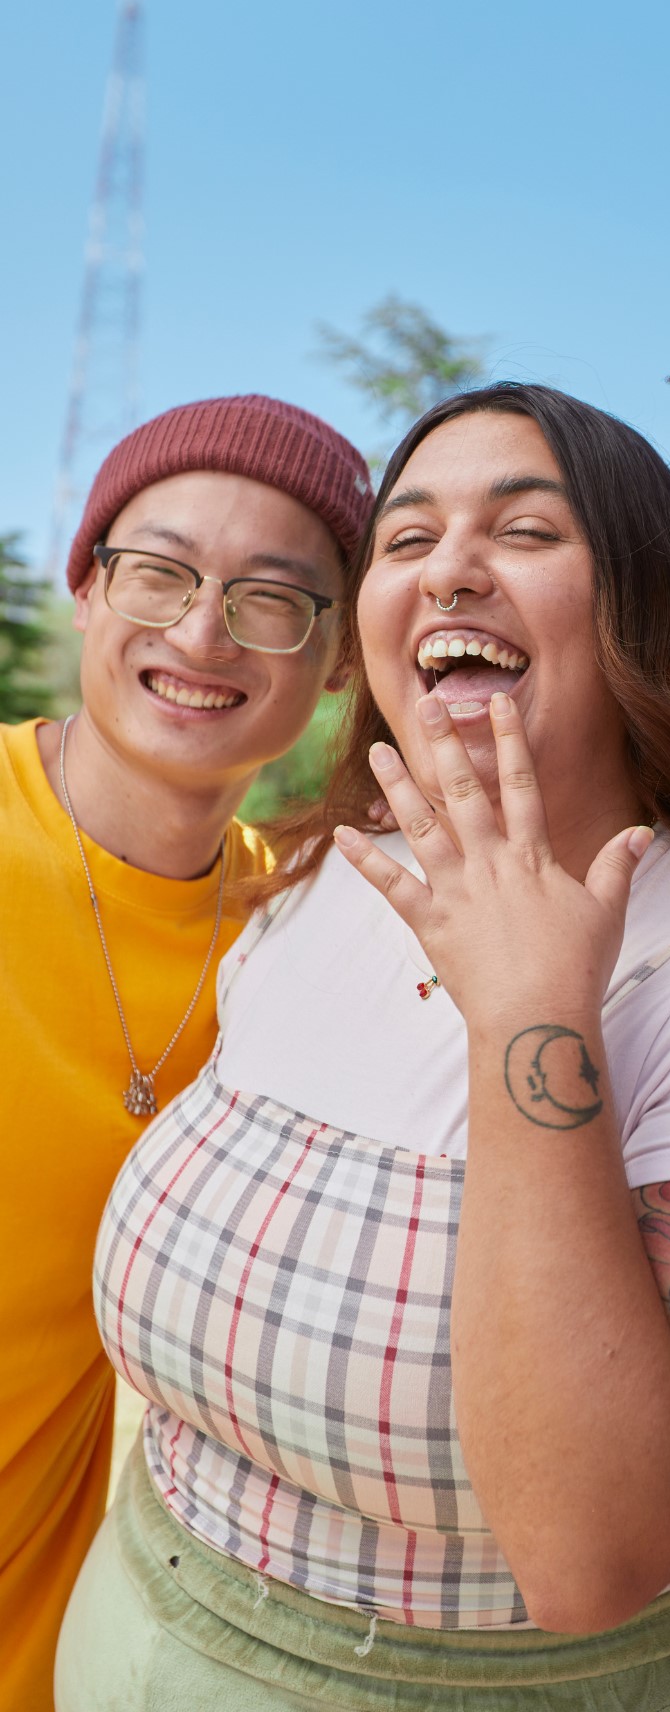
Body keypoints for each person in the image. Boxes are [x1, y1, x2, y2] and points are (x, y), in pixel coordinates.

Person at [58, 384, 670, 1711]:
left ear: (647, 606)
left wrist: (533, 1017)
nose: (451, 567)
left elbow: (597, 1556)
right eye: (404, 541)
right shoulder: (316, 886)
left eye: (525, 532)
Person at [0, 393, 370, 1711]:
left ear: (338, 659)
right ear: (87, 589)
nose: (201, 633)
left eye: (273, 599)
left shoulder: (309, 937)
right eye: (157, 572)